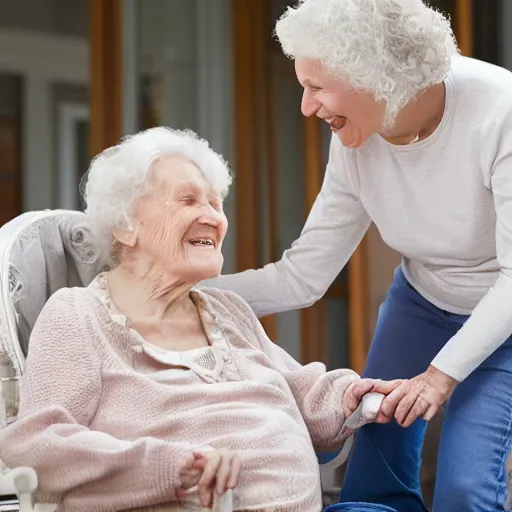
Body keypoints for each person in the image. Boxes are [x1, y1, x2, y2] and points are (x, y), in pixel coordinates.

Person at [204, 0, 512, 510]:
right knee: (372, 477)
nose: (306, 107)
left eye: (316, 87)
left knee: (465, 485)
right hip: (422, 298)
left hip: (505, 311)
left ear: (377, 77)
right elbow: (303, 275)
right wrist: (185, 293)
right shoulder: (354, 138)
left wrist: (439, 377)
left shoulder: (499, 113)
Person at [0, 128, 399, 512]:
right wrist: (173, 466)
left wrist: (351, 394)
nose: (213, 218)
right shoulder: (78, 316)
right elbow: (38, 444)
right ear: (125, 225)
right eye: (188, 201)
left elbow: (302, 394)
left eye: (216, 204)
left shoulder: (227, 311)